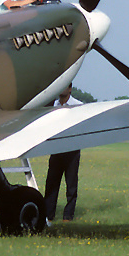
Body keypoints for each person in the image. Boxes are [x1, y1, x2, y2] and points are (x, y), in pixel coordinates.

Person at [44, 83, 82, 222]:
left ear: (70, 89)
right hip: (56, 149)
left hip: (72, 150)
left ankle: (68, 215)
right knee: (51, 183)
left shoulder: (78, 105)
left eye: (64, 87)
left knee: (71, 184)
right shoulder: (53, 106)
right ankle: (48, 214)